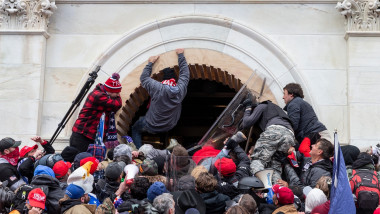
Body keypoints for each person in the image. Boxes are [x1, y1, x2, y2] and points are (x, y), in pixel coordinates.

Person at [132, 48, 190, 149]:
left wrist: (150, 63)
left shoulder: (157, 88)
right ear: (174, 81)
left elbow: (144, 78)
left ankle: (139, 151)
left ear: (163, 80)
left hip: (151, 125)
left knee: (135, 129)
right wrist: (180, 55)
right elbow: (185, 73)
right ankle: (168, 144)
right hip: (170, 125)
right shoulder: (180, 89)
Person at [242, 98, 295, 183]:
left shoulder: (262, 106)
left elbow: (246, 123)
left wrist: (248, 108)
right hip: (289, 135)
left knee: (258, 160)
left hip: (275, 130)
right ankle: (276, 191)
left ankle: (265, 187)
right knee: (275, 166)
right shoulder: (276, 109)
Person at [70, 73, 123, 152]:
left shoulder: (105, 95)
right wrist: (117, 97)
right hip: (82, 135)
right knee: (80, 161)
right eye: (117, 92)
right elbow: (117, 104)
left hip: (90, 136)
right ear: (111, 91)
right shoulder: (98, 96)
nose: (119, 95)